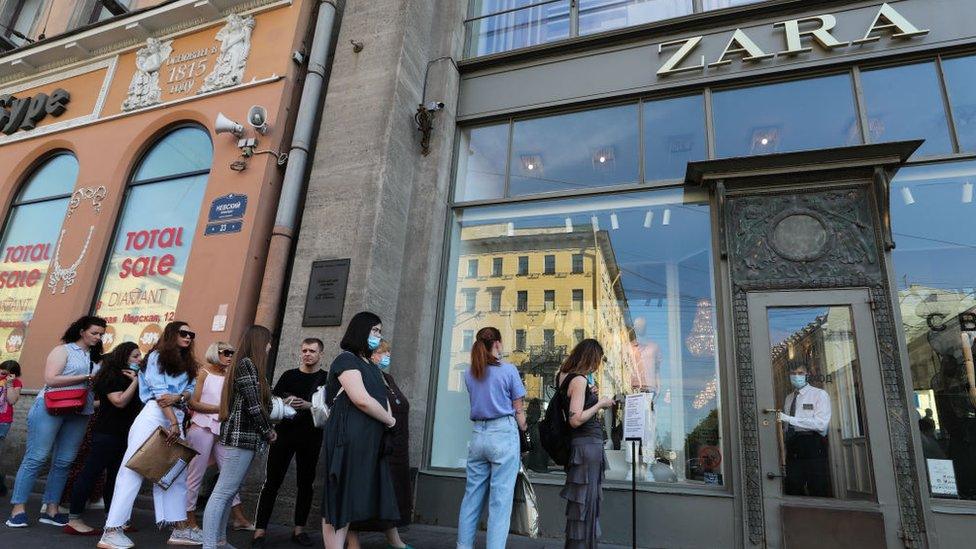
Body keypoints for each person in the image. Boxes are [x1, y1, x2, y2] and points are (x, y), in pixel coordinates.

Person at [98, 321, 200, 549]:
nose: (189, 337)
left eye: (191, 334)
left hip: (177, 416)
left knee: (175, 473)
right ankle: (112, 529)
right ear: (172, 334)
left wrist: (179, 399)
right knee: (134, 468)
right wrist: (173, 417)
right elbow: (158, 392)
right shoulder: (156, 357)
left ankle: (179, 527)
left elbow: (191, 390)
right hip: (155, 414)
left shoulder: (188, 362)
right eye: (184, 333)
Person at [6, 315, 106, 529]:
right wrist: (86, 378)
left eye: (101, 334)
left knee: (65, 461)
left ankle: (52, 508)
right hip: (50, 406)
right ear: (82, 331)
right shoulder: (63, 350)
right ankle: (18, 508)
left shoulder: (96, 357)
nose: (98, 337)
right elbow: (51, 379)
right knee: (37, 456)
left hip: (81, 410)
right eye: (94, 332)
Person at [321, 312, 399, 549]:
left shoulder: (370, 365)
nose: (378, 335)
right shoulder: (346, 360)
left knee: (351, 494)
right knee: (339, 494)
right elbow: (361, 399)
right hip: (348, 435)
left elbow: (381, 396)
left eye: (379, 331)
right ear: (361, 330)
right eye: (375, 330)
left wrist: (387, 419)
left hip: (368, 438)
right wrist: (390, 420)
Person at [201, 325, 278, 549]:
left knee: (229, 490)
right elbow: (254, 406)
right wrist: (268, 431)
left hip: (244, 436)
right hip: (239, 436)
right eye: (268, 341)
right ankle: (210, 544)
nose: (270, 346)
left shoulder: (251, 366)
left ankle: (219, 541)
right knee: (223, 490)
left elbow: (258, 403)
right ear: (258, 342)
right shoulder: (247, 364)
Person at [456, 327, 528, 549]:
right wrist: (524, 428)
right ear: (497, 343)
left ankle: (463, 546)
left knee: (471, 498)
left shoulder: (470, 373)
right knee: (500, 502)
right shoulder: (508, 370)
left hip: (478, 435)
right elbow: (519, 411)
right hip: (502, 436)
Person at [253, 337, 328, 547]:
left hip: (311, 437)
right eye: (304, 350)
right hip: (284, 435)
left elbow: (330, 410)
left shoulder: (326, 379)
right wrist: (283, 402)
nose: (307, 354)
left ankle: (299, 530)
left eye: (312, 351)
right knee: (271, 483)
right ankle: (259, 531)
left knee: (306, 484)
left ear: (320, 354)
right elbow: (271, 403)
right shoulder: (289, 375)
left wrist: (308, 405)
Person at [65, 342, 143, 535]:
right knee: (90, 473)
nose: (139, 359)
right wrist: (136, 382)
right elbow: (119, 401)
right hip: (107, 433)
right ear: (123, 356)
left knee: (116, 477)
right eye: (135, 356)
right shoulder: (112, 377)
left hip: (124, 433)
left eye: (139, 356)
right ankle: (74, 519)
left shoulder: (130, 376)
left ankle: (114, 517)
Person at [347, 339, 413, 549]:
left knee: (390, 494)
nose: (386, 357)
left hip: (396, 446)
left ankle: (395, 540)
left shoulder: (387, 377)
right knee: (363, 493)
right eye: (382, 353)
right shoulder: (364, 376)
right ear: (370, 355)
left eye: (388, 352)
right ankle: (353, 542)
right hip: (375, 445)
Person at [185, 341, 254, 533]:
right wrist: (220, 409)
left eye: (232, 353)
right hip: (202, 426)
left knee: (230, 474)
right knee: (194, 476)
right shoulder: (203, 373)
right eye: (226, 352)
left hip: (223, 428)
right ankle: (188, 519)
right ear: (215, 353)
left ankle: (239, 518)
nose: (230, 356)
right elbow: (194, 403)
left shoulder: (230, 376)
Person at [558, 339, 614, 549]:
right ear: (591, 358)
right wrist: (600, 403)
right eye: (597, 361)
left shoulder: (563, 376)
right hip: (588, 446)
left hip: (580, 446)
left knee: (579, 507)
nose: (597, 366)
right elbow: (575, 418)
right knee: (587, 506)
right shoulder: (579, 380)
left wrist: (590, 394)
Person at [778, 363, 832, 497]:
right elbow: (786, 428)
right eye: (793, 373)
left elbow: (821, 424)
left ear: (807, 375)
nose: (796, 376)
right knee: (793, 487)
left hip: (812, 443)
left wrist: (789, 419)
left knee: (817, 485)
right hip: (793, 445)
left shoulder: (819, 394)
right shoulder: (789, 398)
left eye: (800, 373)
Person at [0, 360, 23, 497]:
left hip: (2, 422)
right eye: (2, 372)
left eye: (7, 374)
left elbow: (12, 400)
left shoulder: (16, 383)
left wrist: (9, 384)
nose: (3, 375)